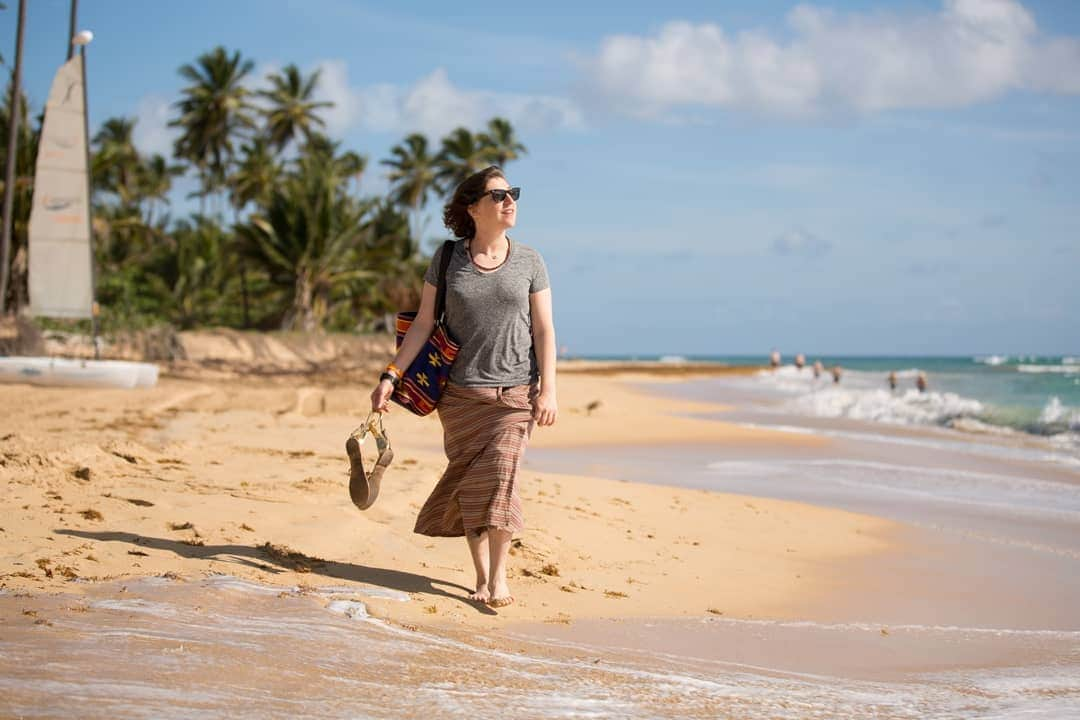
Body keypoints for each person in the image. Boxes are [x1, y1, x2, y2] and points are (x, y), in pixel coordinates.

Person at [370, 166, 557, 610]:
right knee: (471, 485)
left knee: (501, 481)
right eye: (499, 195)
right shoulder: (448, 258)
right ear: (473, 208)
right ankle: (480, 574)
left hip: (514, 395)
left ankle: (500, 577)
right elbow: (421, 325)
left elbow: (545, 331)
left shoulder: (530, 260)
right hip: (458, 397)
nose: (510, 201)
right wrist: (390, 377)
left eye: (513, 193)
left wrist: (548, 389)